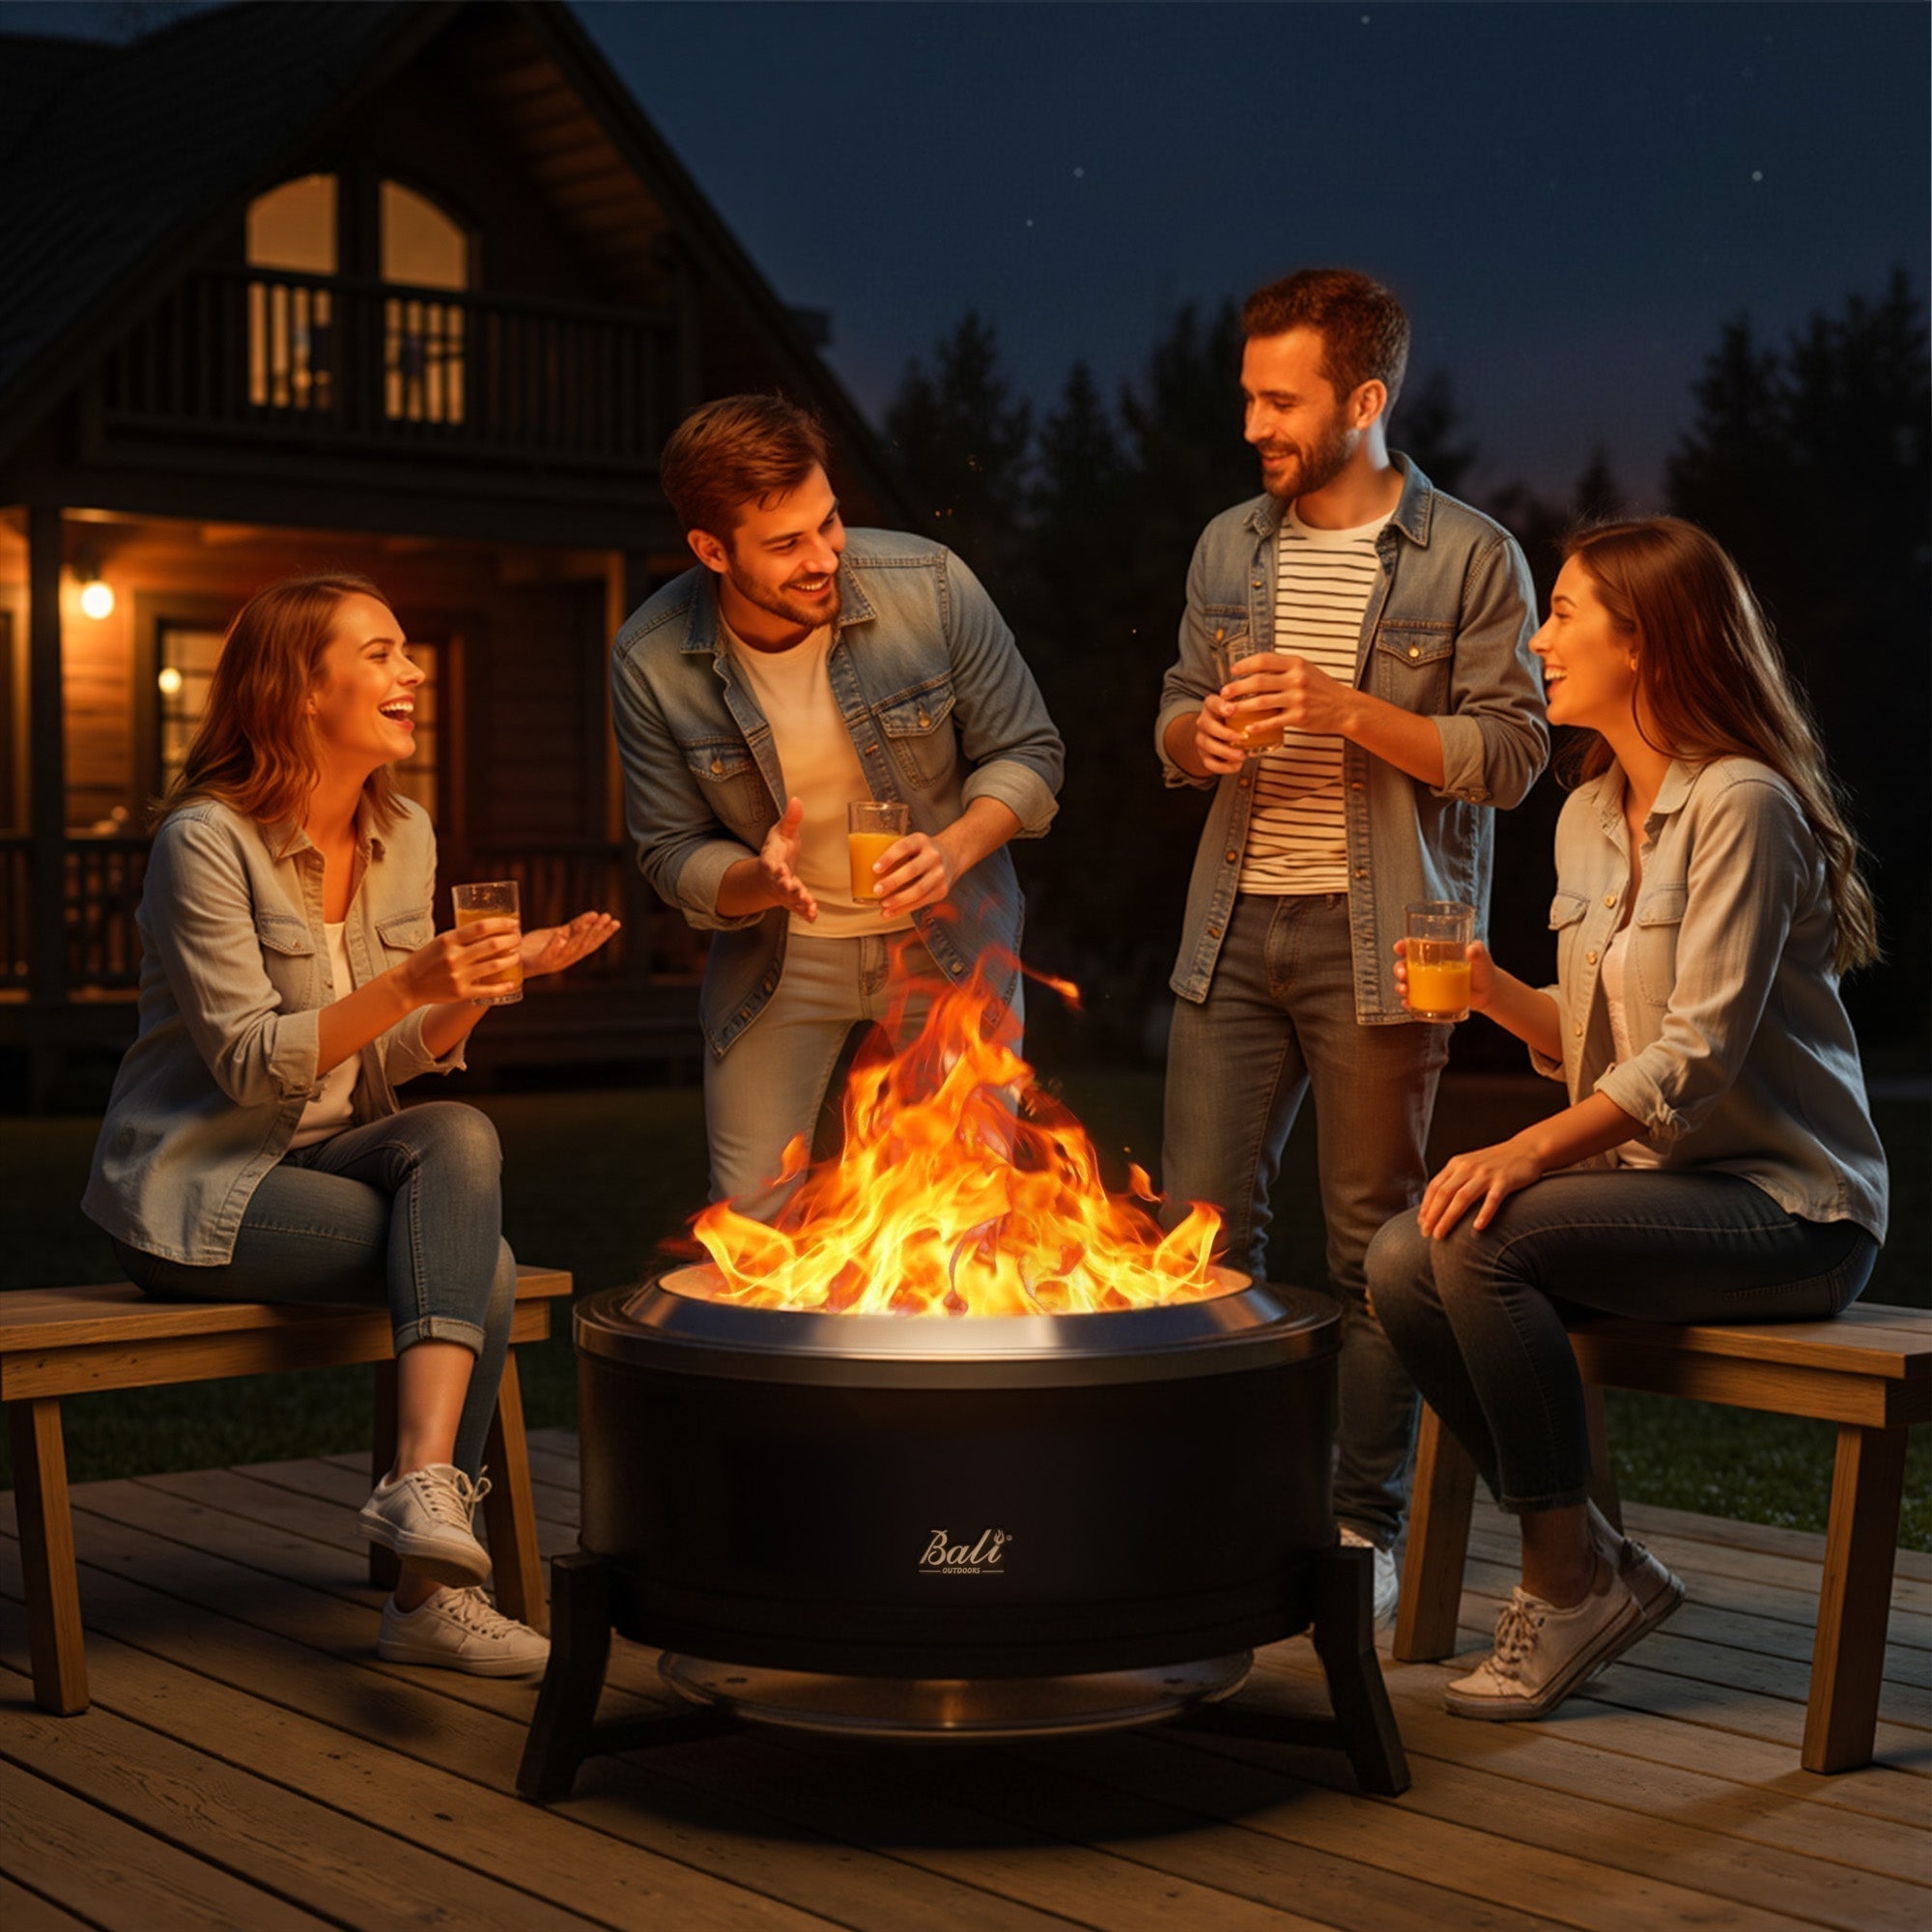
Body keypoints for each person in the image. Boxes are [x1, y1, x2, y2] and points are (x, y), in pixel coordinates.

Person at [1366, 517, 1888, 1719]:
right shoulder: (1588, 813)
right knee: (1403, 1255)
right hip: (1663, 1193)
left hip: (1786, 1208)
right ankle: (1592, 1555)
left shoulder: (1742, 806)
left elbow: (1693, 1057)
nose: (1535, 638)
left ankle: (1562, 1582)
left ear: (1641, 641)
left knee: (1479, 1231)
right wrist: (1494, 992)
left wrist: (1524, 1146)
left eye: (1559, 612)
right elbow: (1602, 1038)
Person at [83, 574, 617, 1675]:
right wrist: (411, 977)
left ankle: (420, 1495)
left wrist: (475, 984)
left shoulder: (402, 831)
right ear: (297, 688)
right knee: (489, 1269)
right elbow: (244, 1063)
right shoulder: (204, 841)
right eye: (379, 653)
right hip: (196, 1186)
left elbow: (385, 1059)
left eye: (407, 651)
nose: (411, 672)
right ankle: (425, 1596)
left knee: (457, 1132)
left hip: (325, 1156)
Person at [1155, 269, 1548, 1617]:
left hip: (1384, 939)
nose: (1254, 422)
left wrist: (1345, 707)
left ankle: (1356, 1530)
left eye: (1281, 398)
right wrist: (1192, 738)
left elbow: (1510, 753)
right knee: (1196, 1239)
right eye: (1248, 394)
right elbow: (1170, 706)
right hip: (1231, 927)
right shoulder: (1228, 545)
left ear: (1364, 400)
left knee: (1372, 1252)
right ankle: (1212, 1509)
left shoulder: (1474, 556)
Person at [611, 394, 1064, 1215]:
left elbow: (1030, 754)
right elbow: (669, 852)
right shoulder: (649, 659)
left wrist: (952, 850)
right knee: (750, 1226)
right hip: (781, 960)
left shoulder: (929, 586)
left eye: (829, 522)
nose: (824, 556)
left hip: (947, 942)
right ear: (711, 550)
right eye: (786, 544)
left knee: (961, 1220)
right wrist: (758, 878)